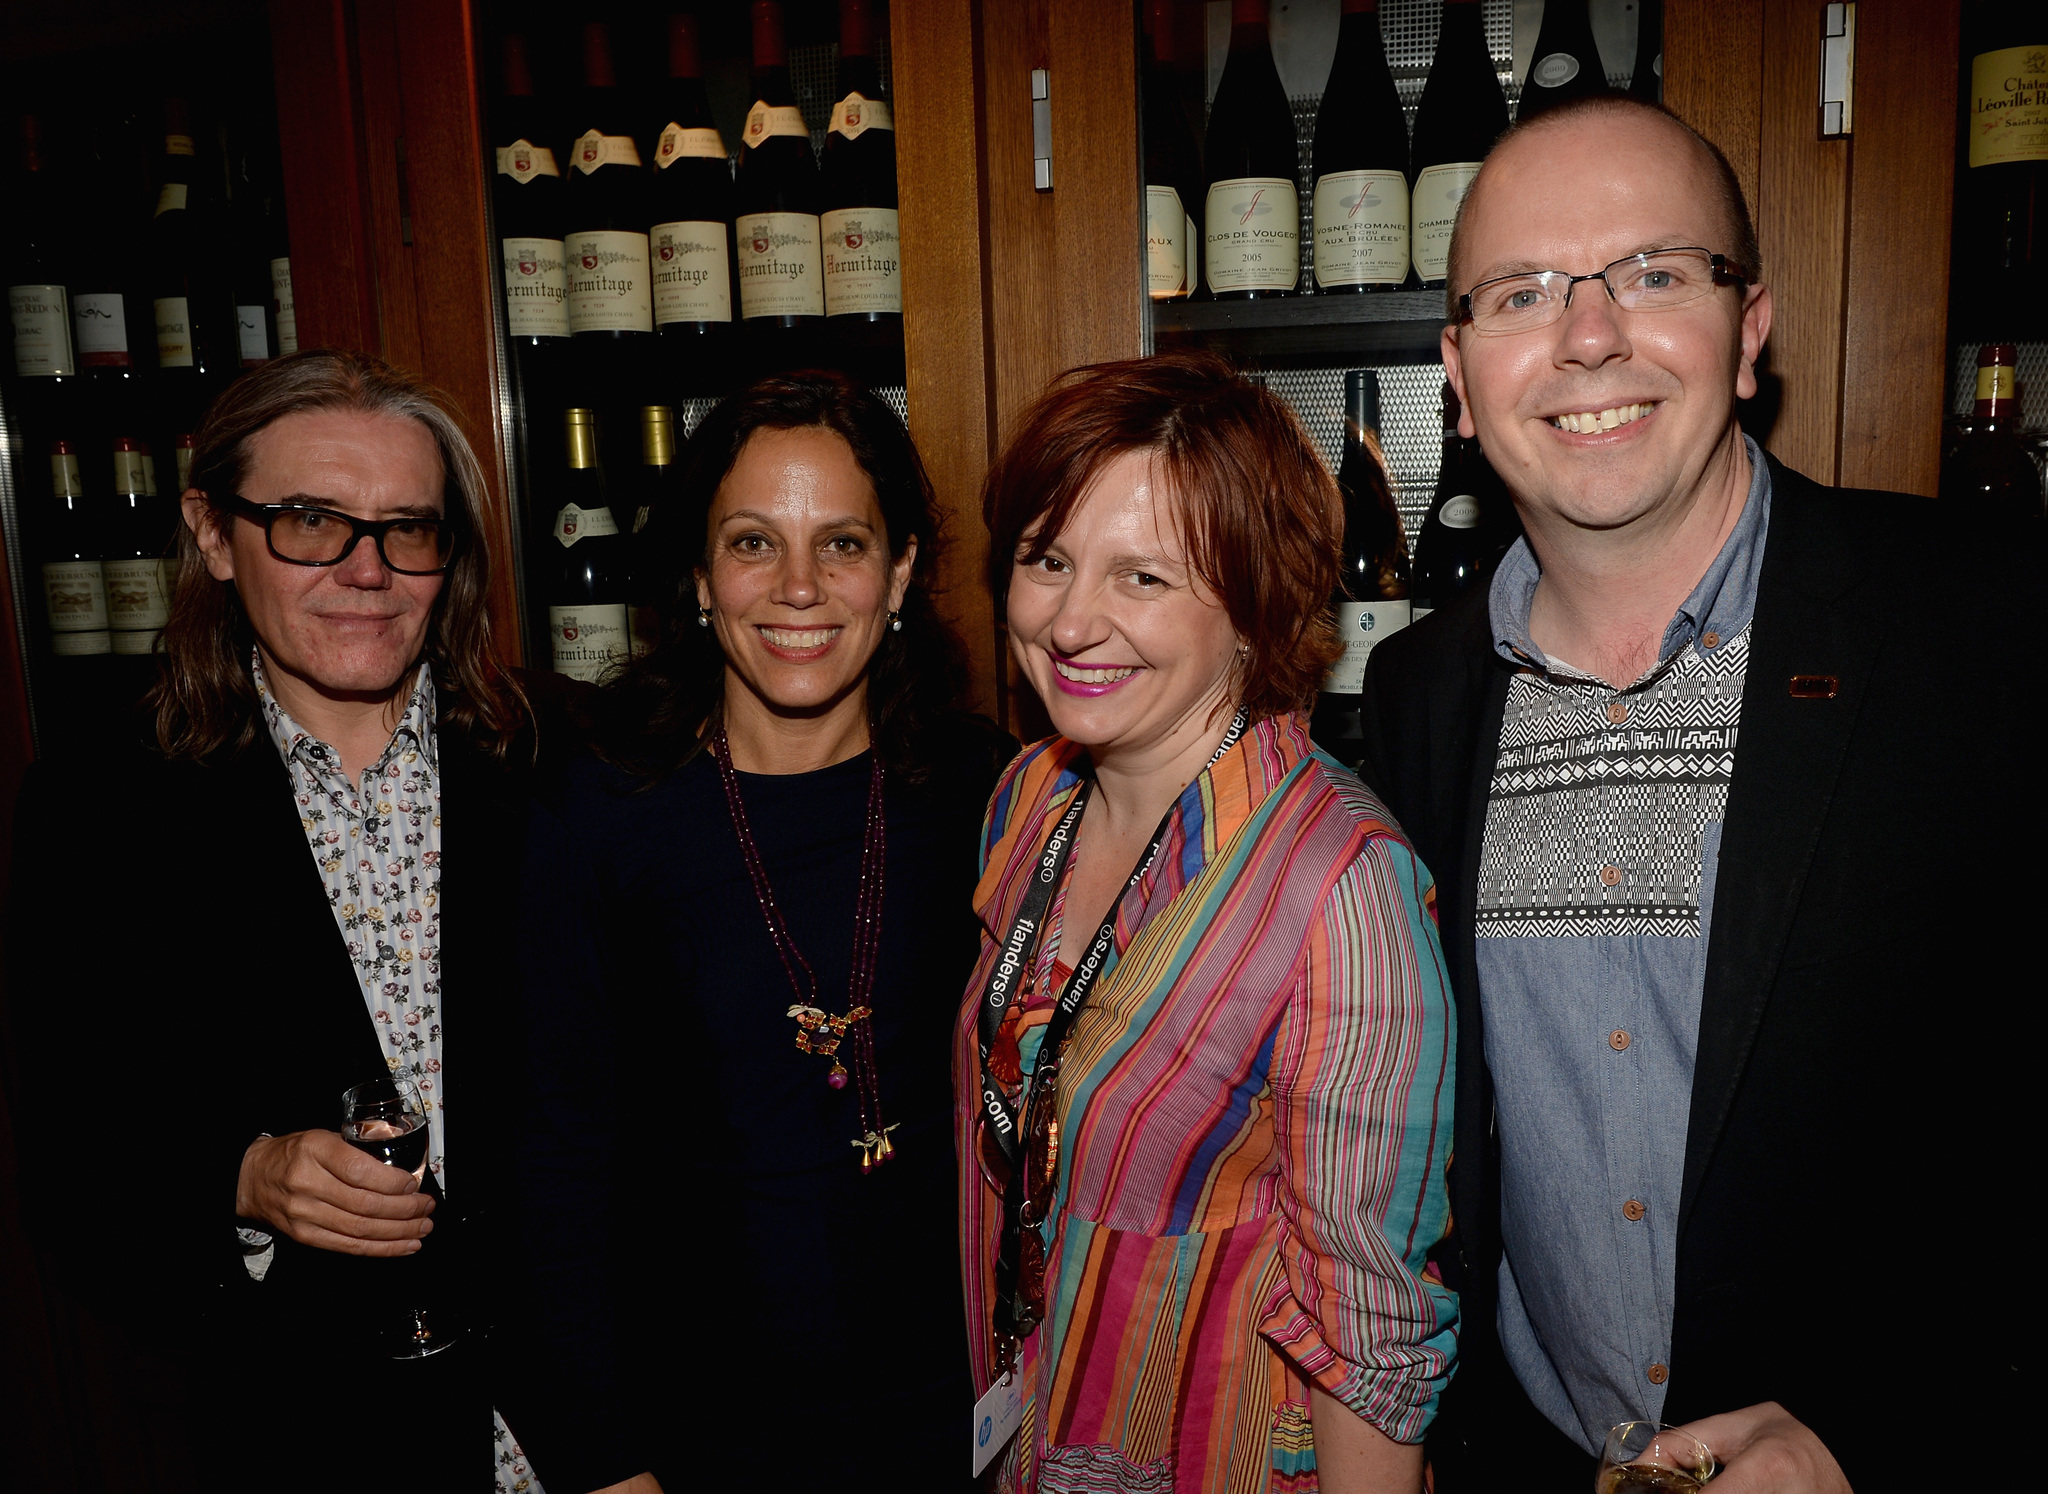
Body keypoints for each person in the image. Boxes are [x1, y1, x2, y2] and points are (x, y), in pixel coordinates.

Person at [1357, 96, 2038, 1490]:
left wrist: (1875, 1433)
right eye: (1524, 292)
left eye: (1657, 273)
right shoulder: (1421, 696)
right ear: (1461, 375)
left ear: (1750, 330)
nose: (1590, 335)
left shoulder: (1984, 628)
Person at [1, 349, 549, 1489]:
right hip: (315, 1433)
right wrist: (243, 1178)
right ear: (213, 531)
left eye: (409, 528)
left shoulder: (561, 769)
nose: (368, 571)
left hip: (583, 1424)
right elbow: (70, 1158)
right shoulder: (104, 809)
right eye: (309, 522)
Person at [501, 371, 1013, 1493]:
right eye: (750, 542)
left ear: (902, 573)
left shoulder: (987, 792)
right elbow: (552, 1168)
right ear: (696, 575)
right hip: (700, 1434)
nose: (796, 588)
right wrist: (605, 1463)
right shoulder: (597, 816)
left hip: (960, 1417)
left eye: (840, 544)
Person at [957, 350, 1457, 1494]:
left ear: (1251, 605)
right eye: (1046, 560)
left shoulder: (1342, 885)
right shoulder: (1026, 798)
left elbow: (1369, 1334)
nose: (1071, 621)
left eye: (1142, 578)